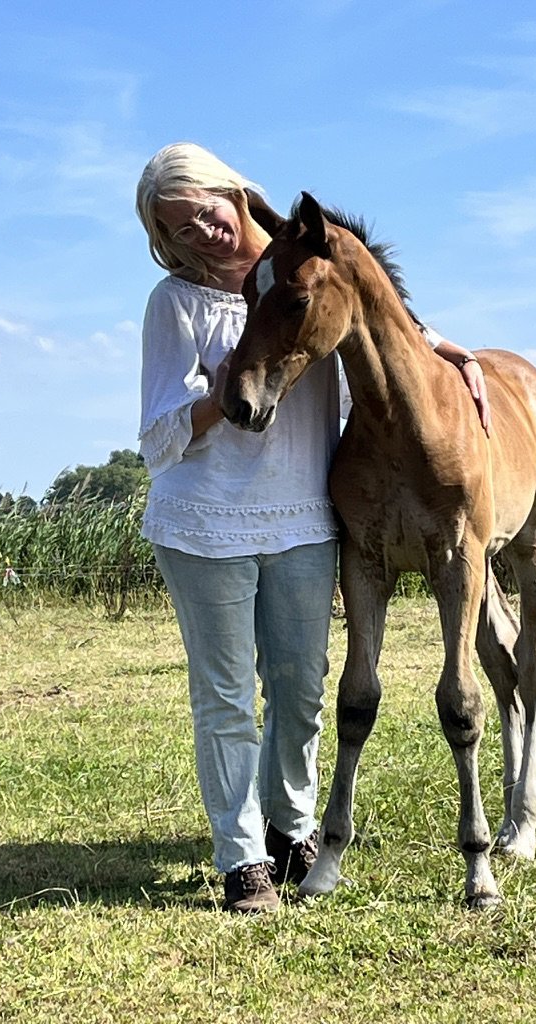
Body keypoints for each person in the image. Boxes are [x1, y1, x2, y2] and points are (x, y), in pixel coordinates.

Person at [135, 142, 491, 914]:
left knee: (300, 688)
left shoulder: (302, 270)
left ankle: (292, 828)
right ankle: (242, 861)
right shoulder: (177, 303)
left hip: (300, 512)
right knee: (227, 695)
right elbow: (156, 434)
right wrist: (220, 396)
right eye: (177, 229)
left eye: (205, 211)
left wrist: (450, 352)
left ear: (233, 194)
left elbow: (383, 322)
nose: (201, 232)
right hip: (206, 522)